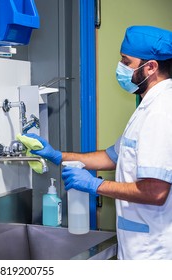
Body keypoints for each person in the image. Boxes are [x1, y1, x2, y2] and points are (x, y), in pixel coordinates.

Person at [27, 25, 172, 260]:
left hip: (153, 252)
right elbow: (111, 157)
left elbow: (155, 192)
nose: (120, 68)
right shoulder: (147, 108)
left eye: (127, 62)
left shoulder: (161, 112)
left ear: (151, 67)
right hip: (139, 245)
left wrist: (96, 186)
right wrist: (56, 155)